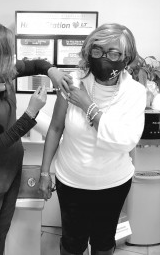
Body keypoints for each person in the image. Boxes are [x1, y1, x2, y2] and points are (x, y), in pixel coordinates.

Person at [0, 20, 72, 255]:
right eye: (7, 52)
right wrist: (31, 112)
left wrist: (51, 70)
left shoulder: (0, 70)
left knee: (0, 234)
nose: (13, 59)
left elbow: (35, 63)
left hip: (10, 172)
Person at [39, 23, 146, 255]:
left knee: (104, 242)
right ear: (89, 52)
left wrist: (88, 106)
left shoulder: (135, 93)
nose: (104, 58)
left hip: (113, 185)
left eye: (114, 53)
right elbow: (56, 128)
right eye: (98, 51)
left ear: (126, 58)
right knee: (71, 243)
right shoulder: (72, 83)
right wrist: (44, 172)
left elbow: (125, 141)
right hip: (72, 182)